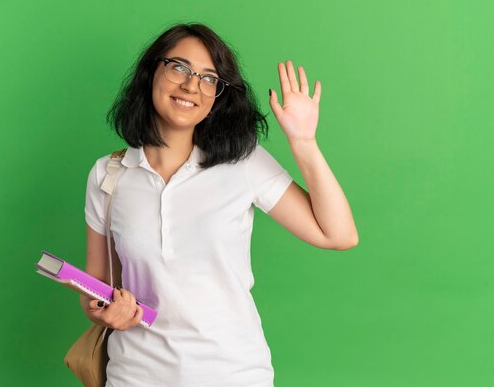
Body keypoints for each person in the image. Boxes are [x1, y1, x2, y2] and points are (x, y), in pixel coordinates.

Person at [79, 23, 358, 386]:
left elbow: (338, 235)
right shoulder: (109, 174)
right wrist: (103, 314)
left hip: (232, 374)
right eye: (179, 67)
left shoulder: (243, 163)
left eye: (208, 78)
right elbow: (96, 287)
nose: (191, 85)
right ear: (151, 73)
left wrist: (304, 142)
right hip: (134, 376)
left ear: (217, 97)